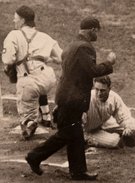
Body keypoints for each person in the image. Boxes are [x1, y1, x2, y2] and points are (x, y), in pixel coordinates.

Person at [25, 16, 116, 181]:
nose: (97, 34)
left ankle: (78, 171)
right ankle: (34, 156)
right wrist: (109, 63)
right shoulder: (84, 48)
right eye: (97, 31)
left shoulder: (71, 46)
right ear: (92, 29)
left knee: (75, 135)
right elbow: (92, 71)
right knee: (68, 134)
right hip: (72, 99)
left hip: (66, 97)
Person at [2, 5, 62, 140]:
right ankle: (46, 117)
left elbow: (8, 60)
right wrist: (43, 58)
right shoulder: (44, 36)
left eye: (15, 19)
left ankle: (30, 122)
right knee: (39, 87)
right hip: (48, 78)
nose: (14, 21)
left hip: (29, 82)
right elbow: (60, 58)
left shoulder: (14, 35)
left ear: (22, 20)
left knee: (27, 118)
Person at [83, 76, 135, 149]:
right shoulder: (87, 99)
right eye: (97, 89)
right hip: (89, 130)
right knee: (114, 141)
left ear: (109, 89)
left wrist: (128, 128)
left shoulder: (114, 97)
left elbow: (123, 117)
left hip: (103, 123)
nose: (99, 93)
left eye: (102, 90)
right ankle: (88, 138)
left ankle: (125, 134)